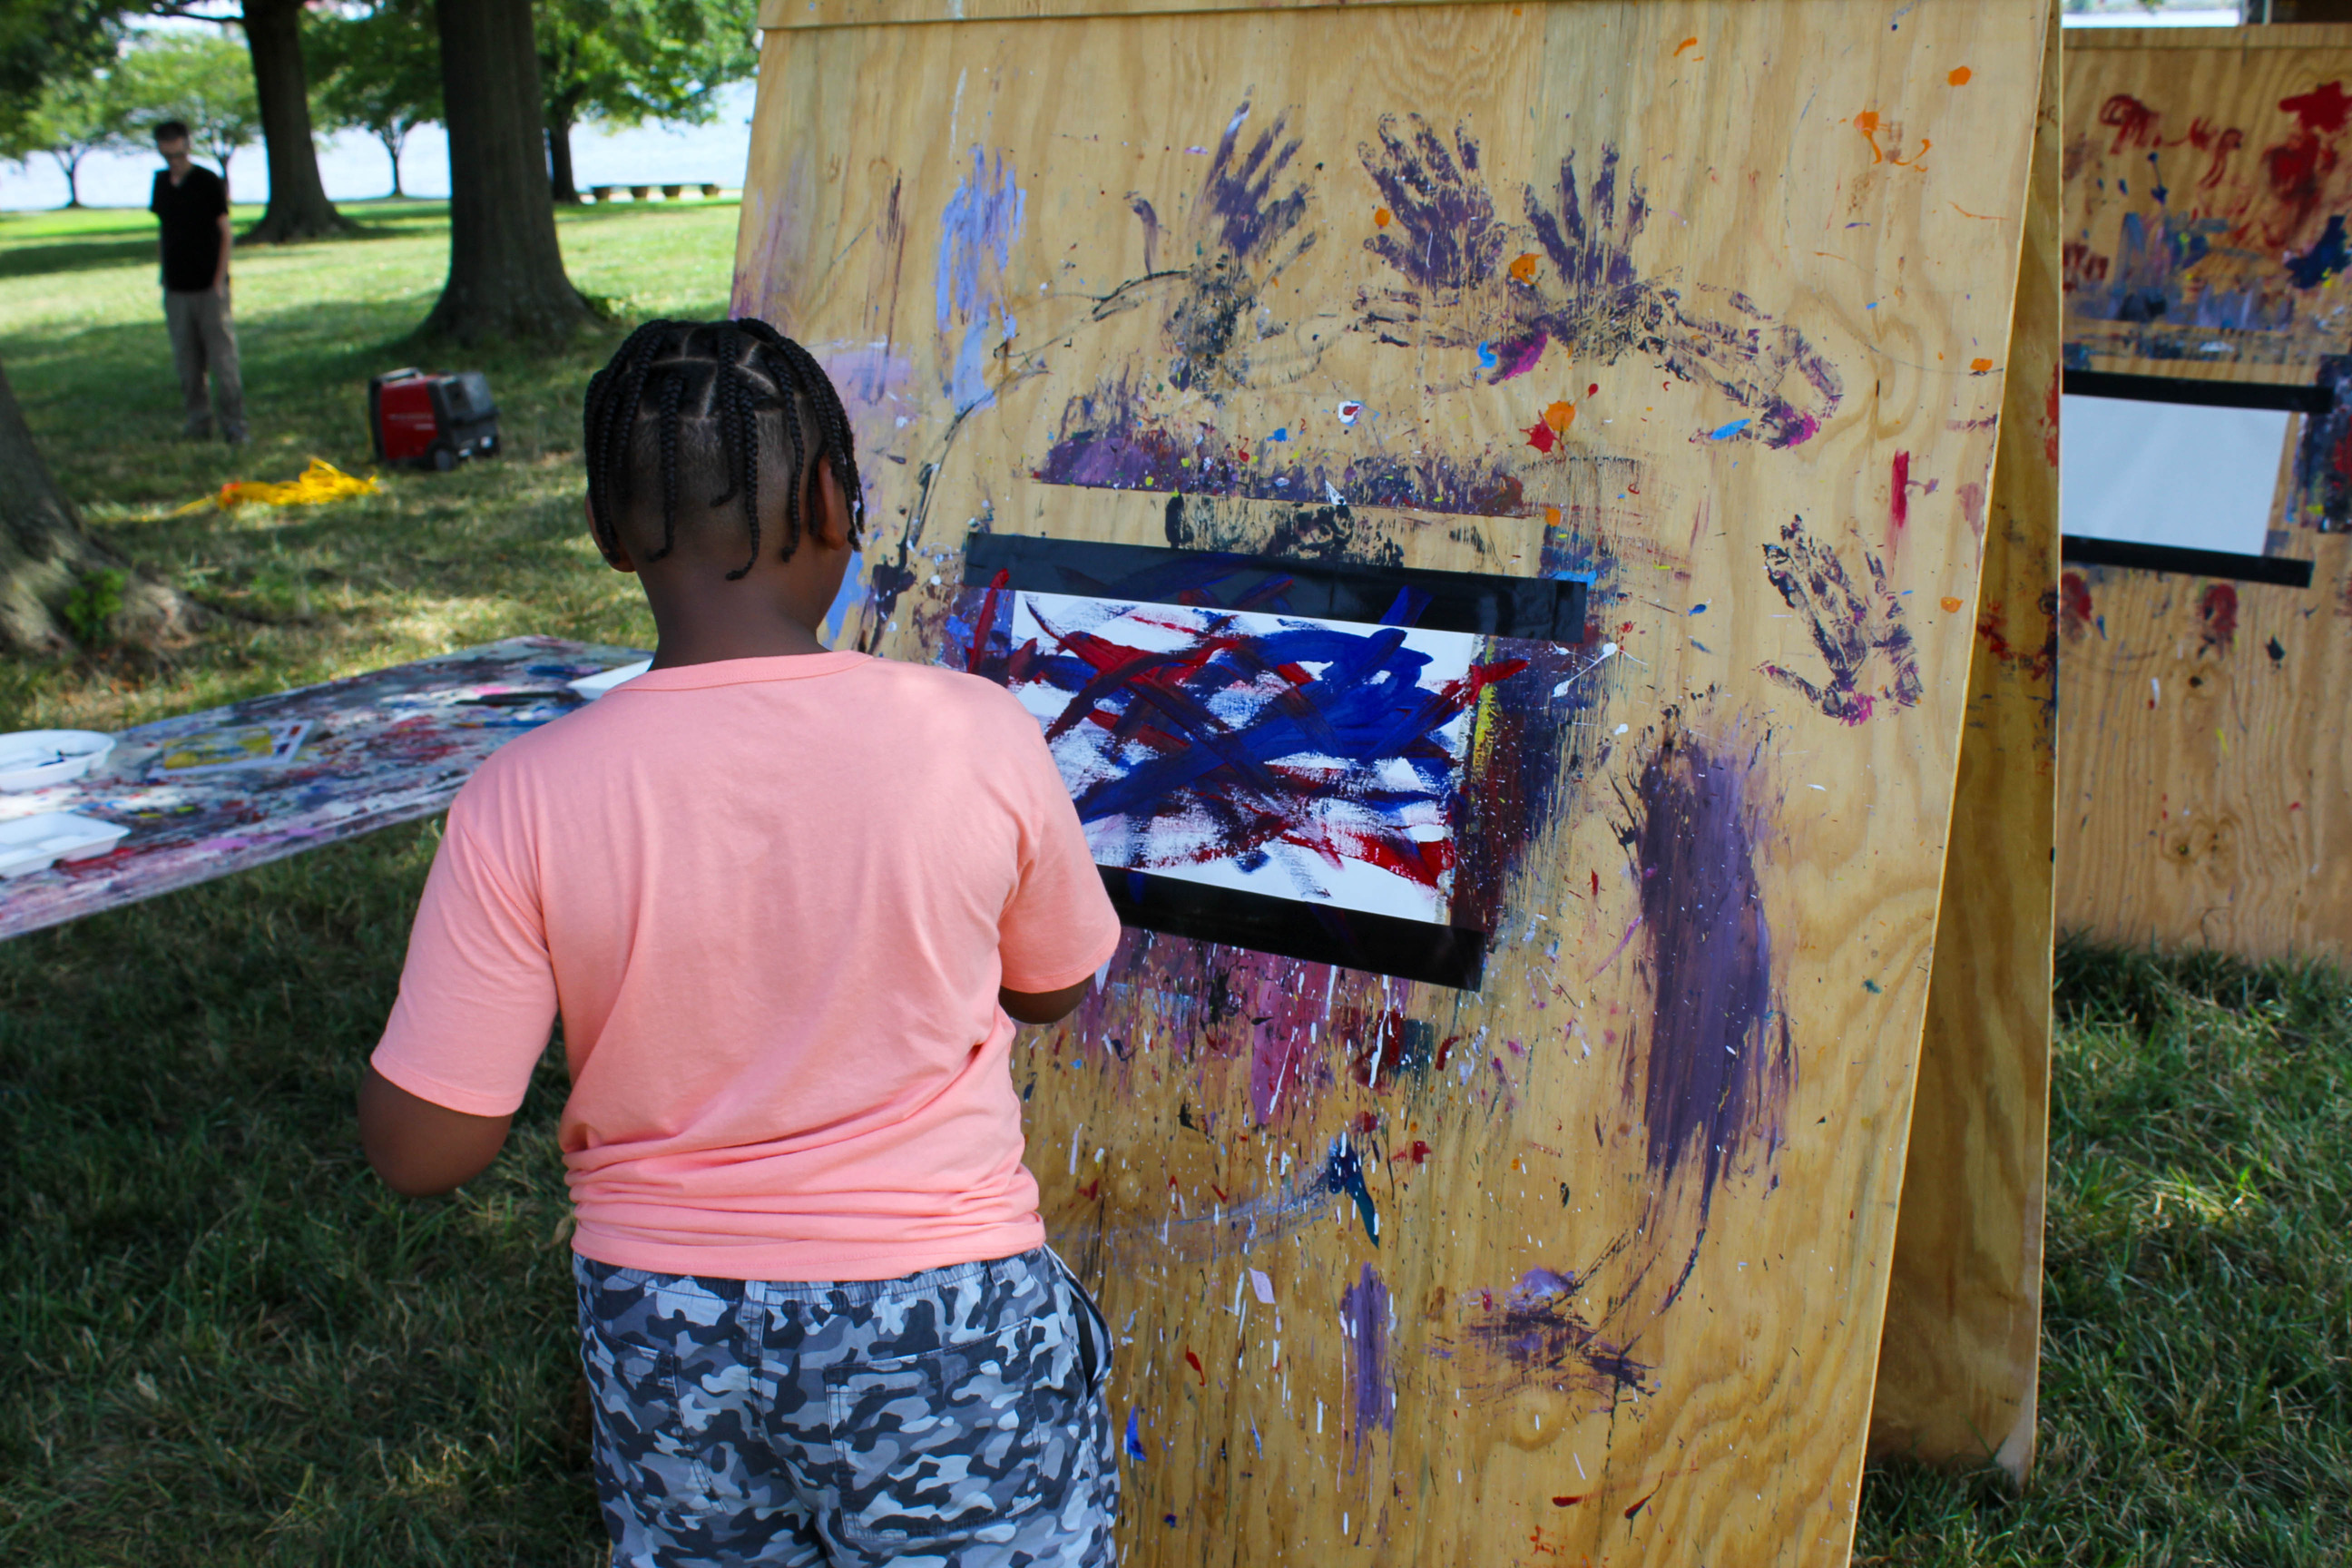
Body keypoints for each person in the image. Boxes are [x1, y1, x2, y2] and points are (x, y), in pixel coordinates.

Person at [358, 318, 1123, 1568]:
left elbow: (425, 1149)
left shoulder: (523, 793)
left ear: (607, 533)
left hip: (665, 1328)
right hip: (944, 1311)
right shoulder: (974, 734)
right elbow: (1054, 987)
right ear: (835, 501)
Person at [148, 120, 244, 445]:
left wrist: (219, 280)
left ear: (187, 145)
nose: (174, 160)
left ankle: (234, 424)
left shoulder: (207, 181)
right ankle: (198, 423)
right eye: (167, 154)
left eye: (178, 152)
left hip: (209, 286)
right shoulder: (160, 183)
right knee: (187, 363)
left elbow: (225, 232)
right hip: (176, 287)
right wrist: (165, 276)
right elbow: (165, 232)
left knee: (222, 360)